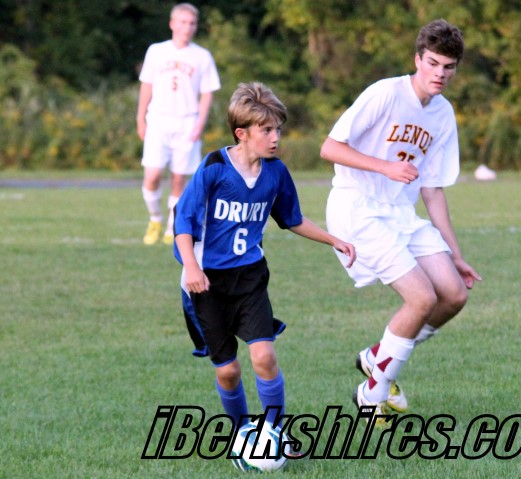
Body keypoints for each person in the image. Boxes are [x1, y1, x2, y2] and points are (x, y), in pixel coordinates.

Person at [320, 19, 482, 417]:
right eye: (433, 63)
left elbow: (433, 189)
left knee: (453, 295)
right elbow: (330, 148)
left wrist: (455, 253)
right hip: (357, 207)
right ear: (417, 60)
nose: (439, 73)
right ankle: (372, 395)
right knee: (422, 298)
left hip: (400, 214)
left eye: (448, 67)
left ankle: (378, 357)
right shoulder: (386, 93)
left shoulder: (443, 114)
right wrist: (385, 167)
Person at [174, 82, 356, 431]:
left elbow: (292, 218)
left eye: (278, 130)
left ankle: (275, 433)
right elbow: (183, 222)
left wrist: (333, 240)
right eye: (267, 130)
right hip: (207, 281)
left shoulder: (276, 172)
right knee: (228, 371)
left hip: (250, 276)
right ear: (241, 134)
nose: (275, 138)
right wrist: (192, 267)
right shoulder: (214, 167)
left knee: (264, 357)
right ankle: (242, 432)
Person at [137, 3, 221, 245]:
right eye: (183, 22)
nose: (187, 27)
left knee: (178, 179)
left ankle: (172, 226)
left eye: (192, 23)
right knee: (152, 175)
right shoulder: (156, 51)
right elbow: (146, 85)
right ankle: (155, 218)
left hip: (187, 123)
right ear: (172, 24)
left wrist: (199, 123)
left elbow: (207, 93)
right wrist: (140, 118)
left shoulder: (202, 56)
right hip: (158, 120)